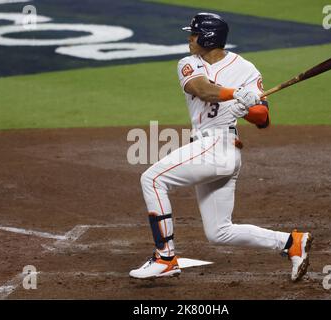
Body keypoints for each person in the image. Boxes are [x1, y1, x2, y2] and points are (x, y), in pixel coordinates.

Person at [129, 12, 313, 281]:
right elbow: (201, 89)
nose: (189, 39)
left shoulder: (247, 70)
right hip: (208, 148)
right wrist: (235, 95)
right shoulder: (188, 63)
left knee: (152, 179)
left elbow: (263, 119)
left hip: (220, 146)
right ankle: (291, 243)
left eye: (193, 34)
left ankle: (165, 257)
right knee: (219, 231)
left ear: (207, 37)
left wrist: (247, 108)